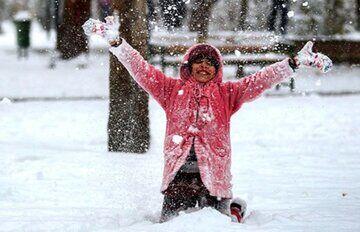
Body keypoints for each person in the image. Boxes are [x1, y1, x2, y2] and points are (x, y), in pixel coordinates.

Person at [83, 17, 332, 223]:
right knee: (169, 225)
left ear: (217, 69)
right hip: (177, 177)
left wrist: (294, 63)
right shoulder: (170, 90)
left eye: (209, 63)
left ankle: (233, 208)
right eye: (198, 62)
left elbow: (260, 80)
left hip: (214, 176)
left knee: (216, 225)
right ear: (188, 67)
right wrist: (116, 41)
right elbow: (140, 68)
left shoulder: (227, 94)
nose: (203, 67)